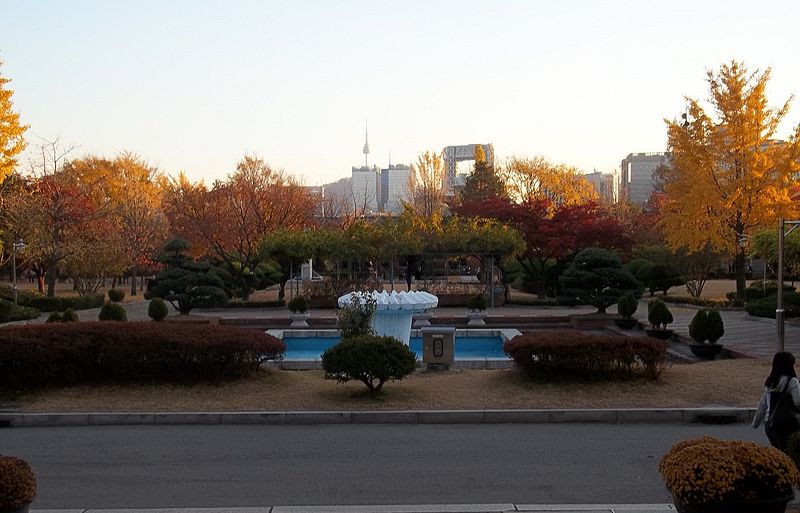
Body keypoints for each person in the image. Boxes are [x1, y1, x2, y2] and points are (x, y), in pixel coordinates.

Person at [752, 351, 800, 450]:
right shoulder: (792, 382)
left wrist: (755, 423)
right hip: (787, 425)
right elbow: (798, 402)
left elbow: (763, 405)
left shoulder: (770, 382)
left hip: (770, 425)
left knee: (778, 453)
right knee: (788, 452)